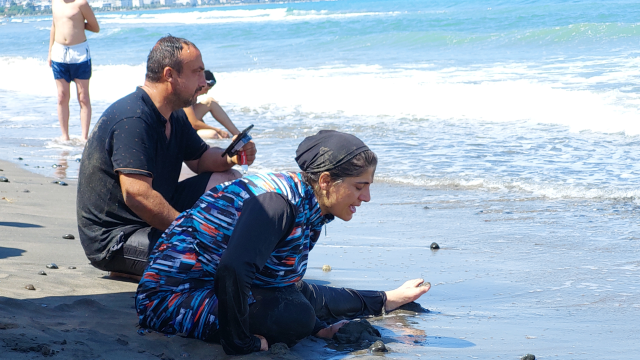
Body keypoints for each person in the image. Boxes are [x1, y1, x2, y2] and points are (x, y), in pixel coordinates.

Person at [135, 130, 431, 355]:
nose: (366, 198)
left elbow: (281, 283)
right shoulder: (278, 204)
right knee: (295, 314)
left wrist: (321, 329)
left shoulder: (310, 202)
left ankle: (385, 299)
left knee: (307, 297)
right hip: (172, 297)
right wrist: (241, 342)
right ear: (326, 181)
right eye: (359, 187)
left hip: (221, 287)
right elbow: (233, 270)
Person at [76, 35, 257, 277]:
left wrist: (232, 156)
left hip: (155, 214)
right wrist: (191, 231)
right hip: (116, 238)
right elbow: (137, 195)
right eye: (197, 73)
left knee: (230, 179)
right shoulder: (134, 119)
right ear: (169, 75)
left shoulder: (175, 115)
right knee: (210, 260)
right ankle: (133, 266)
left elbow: (201, 160)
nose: (204, 83)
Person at [47, 0, 99, 142]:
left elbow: (95, 27)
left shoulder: (81, 3)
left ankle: (84, 137)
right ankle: (65, 136)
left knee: (83, 97)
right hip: (59, 53)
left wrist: (78, 24)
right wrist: (50, 51)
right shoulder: (55, 3)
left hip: (79, 53)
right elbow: (54, 26)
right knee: (62, 96)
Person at [183, 70, 240, 140]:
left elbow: (197, 121)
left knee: (214, 134)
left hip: (187, 127)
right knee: (210, 102)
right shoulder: (187, 95)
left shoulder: (194, 97)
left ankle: (238, 135)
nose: (206, 92)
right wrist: (218, 130)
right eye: (206, 89)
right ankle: (237, 135)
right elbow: (194, 123)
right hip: (181, 129)